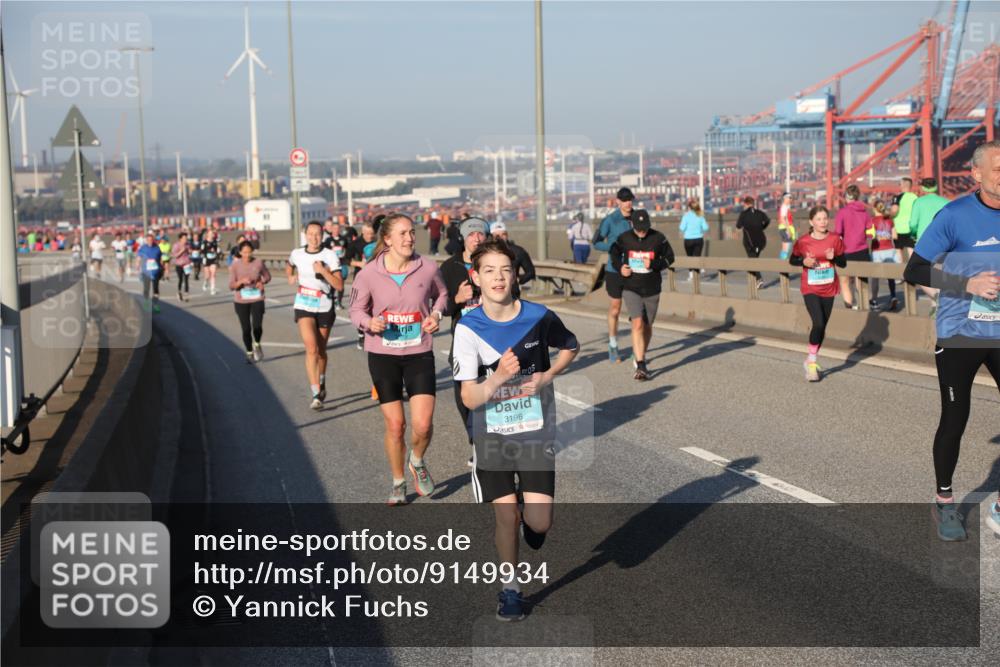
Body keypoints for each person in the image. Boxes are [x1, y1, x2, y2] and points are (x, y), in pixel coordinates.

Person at [451, 237, 579, 621]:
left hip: (534, 432)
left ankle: (531, 522)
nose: (498, 278)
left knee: (539, 522)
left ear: (515, 274)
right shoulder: (467, 327)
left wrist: (547, 376)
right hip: (491, 435)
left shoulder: (538, 316)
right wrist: (498, 379)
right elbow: (470, 397)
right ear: (476, 277)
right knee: (506, 516)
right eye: (489, 271)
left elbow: (570, 346)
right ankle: (510, 588)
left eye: (505, 270)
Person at [902, 139, 1000, 541]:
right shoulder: (955, 215)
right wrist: (967, 282)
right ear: (977, 174)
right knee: (955, 418)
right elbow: (915, 270)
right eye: (999, 167)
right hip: (960, 333)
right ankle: (944, 502)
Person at [348, 213, 447, 505]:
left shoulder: (427, 268)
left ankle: (416, 461)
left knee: (423, 425)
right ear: (387, 239)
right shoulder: (368, 273)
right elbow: (356, 310)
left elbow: (442, 295)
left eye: (412, 233)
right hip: (383, 355)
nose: (410, 238)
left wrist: (437, 314)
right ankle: (397, 482)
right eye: (402, 233)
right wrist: (369, 323)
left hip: (419, 353)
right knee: (395, 426)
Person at [609, 209, 674, 380]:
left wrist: (654, 263)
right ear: (633, 225)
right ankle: (641, 364)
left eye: (644, 228)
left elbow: (670, 258)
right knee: (637, 323)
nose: (642, 231)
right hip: (631, 287)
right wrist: (620, 268)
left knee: (647, 326)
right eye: (639, 228)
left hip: (652, 288)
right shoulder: (624, 238)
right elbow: (613, 254)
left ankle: (641, 353)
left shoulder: (658, 238)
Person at [442, 217, 489, 453]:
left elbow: (516, 297)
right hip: (463, 341)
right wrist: (458, 299)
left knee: (495, 391)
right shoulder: (449, 268)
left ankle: (489, 440)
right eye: (471, 234)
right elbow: (441, 308)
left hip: (493, 339)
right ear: (463, 238)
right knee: (463, 394)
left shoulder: (495, 264)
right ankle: (474, 438)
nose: (476, 238)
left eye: (480, 234)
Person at [287, 221, 344, 410]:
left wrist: (323, 271)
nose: (314, 237)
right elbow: (290, 264)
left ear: (323, 235)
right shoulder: (297, 253)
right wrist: (291, 276)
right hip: (304, 303)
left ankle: (322, 379)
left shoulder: (330, 255)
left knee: (320, 350)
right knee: (311, 348)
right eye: (310, 234)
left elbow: (339, 285)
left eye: (318, 234)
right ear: (305, 235)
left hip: (324, 304)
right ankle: (315, 394)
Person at [789, 205, 846, 382]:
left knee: (822, 328)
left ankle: (809, 359)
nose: (823, 222)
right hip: (810, 288)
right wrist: (803, 261)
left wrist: (833, 258)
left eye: (825, 218)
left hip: (829, 288)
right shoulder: (804, 241)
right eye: (819, 219)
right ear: (811, 222)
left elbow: (843, 263)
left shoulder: (835, 239)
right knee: (818, 322)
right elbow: (792, 259)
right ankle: (812, 363)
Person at [593, 187, 636, 362]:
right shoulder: (610, 220)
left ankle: (637, 346)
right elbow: (596, 242)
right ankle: (613, 345)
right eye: (624, 200)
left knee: (636, 310)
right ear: (617, 201)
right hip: (614, 269)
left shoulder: (638, 218)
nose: (628, 203)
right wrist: (611, 247)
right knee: (615, 309)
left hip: (635, 269)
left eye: (630, 199)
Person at [229, 239, 272, 363]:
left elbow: (267, 276)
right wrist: (241, 282)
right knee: (246, 329)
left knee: (257, 326)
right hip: (241, 300)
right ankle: (249, 352)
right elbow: (231, 285)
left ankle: (257, 344)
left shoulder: (258, 262)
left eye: (249, 252)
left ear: (252, 252)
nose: (247, 255)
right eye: (244, 252)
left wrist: (261, 282)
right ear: (240, 252)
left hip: (257, 297)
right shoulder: (235, 266)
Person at [833, 184, 871, 309]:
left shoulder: (842, 212)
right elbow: (870, 231)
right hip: (863, 250)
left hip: (847, 251)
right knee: (861, 280)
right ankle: (863, 304)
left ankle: (851, 307)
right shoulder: (865, 213)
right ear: (857, 196)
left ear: (846, 197)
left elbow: (838, 232)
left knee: (845, 281)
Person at [345, 222, 379, 349]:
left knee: (374, 306)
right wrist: (359, 264)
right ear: (363, 232)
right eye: (368, 233)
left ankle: (373, 331)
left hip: (377, 279)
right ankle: (361, 334)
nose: (370, 236)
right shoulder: (355, 244)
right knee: (362, 306)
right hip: (361, 279)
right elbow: (346, 259)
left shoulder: (378, 243)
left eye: (372, 233)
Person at [865, 199, 899, 312]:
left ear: (874, 209)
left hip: (877, 250)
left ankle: (874, 300)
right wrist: (886, 235)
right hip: (890, 249)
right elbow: (895, 236)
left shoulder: (872, 221)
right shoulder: (890, 220)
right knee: (890, 276)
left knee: (875, 277)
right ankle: (893, 296)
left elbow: (870, 236)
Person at [489, 222, 536, 298]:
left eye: (503, 234)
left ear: (507, 235)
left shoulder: (518, 251)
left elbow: (531, 272)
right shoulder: (485, 253)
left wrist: (519, 280)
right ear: (491, 236)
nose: (500, 237)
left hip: (512, 293)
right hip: (491, 292)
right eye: (497, 235)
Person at [735, 196, 769, 287]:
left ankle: (759, 279)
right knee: (754, 259)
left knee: (752, 260)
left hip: (749, 242)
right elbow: (767, 220)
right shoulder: (760, 213)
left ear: (745, 204)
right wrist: (762, 227)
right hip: (761, 241)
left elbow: (738, 226)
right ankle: (755, 277)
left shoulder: (743, 214)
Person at [909, 177, 950, 242]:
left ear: (922, 188)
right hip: (942, 239)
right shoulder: (947, 202)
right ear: (936, 187)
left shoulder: (918, 202)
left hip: (923, 239)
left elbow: (913, 224)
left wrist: (913, 234)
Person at [679, 199, 709, 281]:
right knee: (697, 256)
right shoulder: (700, 215)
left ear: (689, 207)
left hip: (688, 240)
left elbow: (681, 228)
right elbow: (706, 227)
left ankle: (691, 275)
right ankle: (698, 272)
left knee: (690, 257)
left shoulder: (686, 216)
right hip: (699, 239)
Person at [890, 176, 918, 256]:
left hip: (899, 229)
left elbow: (894, 211)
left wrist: (889, 216)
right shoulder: (915, 197)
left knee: (898, 252)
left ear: (902, 185)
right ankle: (912, 268)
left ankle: (900, 268)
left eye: (899, 184)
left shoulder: (897, 197)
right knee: (911, 250)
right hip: (912, 229)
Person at [137, 233, 163, 313]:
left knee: (156, 289)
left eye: (151, 240)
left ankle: (155, 305)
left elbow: (160, 258)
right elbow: (139, 257)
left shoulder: (157, 248)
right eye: (148, 240)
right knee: (146, 289)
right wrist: (137, 265)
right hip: (146, 272)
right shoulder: (143, 248)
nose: (150, 241)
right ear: (146, 240)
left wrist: (162, 267)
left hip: (156, 271)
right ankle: (146, 306)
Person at [171, 232, 193, 301]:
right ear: (180, 239)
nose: (185, 239)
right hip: (179, 264)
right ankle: (179, 292)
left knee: (186, 279)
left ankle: (186, 294)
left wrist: (190, 251)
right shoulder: (176, 245)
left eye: (186, 238)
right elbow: (174, 255)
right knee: (180, 279)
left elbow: (189, 252)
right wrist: (181, 251)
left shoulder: (188, 245)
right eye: (184, 238)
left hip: (186, 264)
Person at [777, 192, 798, 260]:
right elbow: (783, 219)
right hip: (785, 229)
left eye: (791, 198)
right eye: (789, 198)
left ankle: (781, 263)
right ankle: (783, 264)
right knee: (787, 247)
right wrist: (788, 230)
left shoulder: (785, 207)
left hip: (782, 228)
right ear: (785, 198)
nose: (791, 199)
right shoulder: (784, 207)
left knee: (784, 248)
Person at [201, 229, 220, 295]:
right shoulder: (204, 242)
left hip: (213, 259)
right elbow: (202, 251)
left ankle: (212, 289)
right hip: (206, 259)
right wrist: (209, 250)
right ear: (208, 234)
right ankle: (206, 282)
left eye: (213, 233)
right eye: (211, 233)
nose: (212, 234)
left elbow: (216, 249)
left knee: (213, 274)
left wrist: (217, 251)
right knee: (207, 276)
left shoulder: (215, 242)